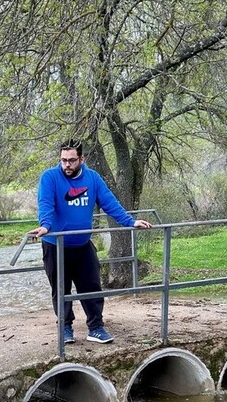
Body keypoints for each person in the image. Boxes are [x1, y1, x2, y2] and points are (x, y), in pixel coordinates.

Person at [30, 139, 152, 344]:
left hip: (83, 245)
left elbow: (109, 203)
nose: (67, 165)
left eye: (71, 160)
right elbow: (46, 204)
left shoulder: (93, 178)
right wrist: (45, 226)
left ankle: (95, 327)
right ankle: (65, 327)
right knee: (60, 288)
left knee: (92, 286)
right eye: (63, 160)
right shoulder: (49, 177)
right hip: (55, 245)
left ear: (81, 159)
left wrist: (130, 222)